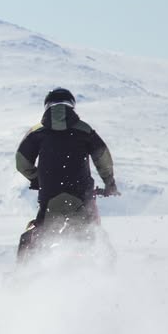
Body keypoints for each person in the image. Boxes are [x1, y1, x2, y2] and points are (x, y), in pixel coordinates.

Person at [15, 88, 119, 261]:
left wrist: (36, 179)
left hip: (49, 200)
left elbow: (21, 162)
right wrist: (110, 183)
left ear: (46, 106)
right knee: (98, 238)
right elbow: (102, 158)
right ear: (72, 106)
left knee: (32, 237)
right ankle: (109, 276)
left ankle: (22, 278)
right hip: (82, 198)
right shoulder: (85, 130)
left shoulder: (37, 132)